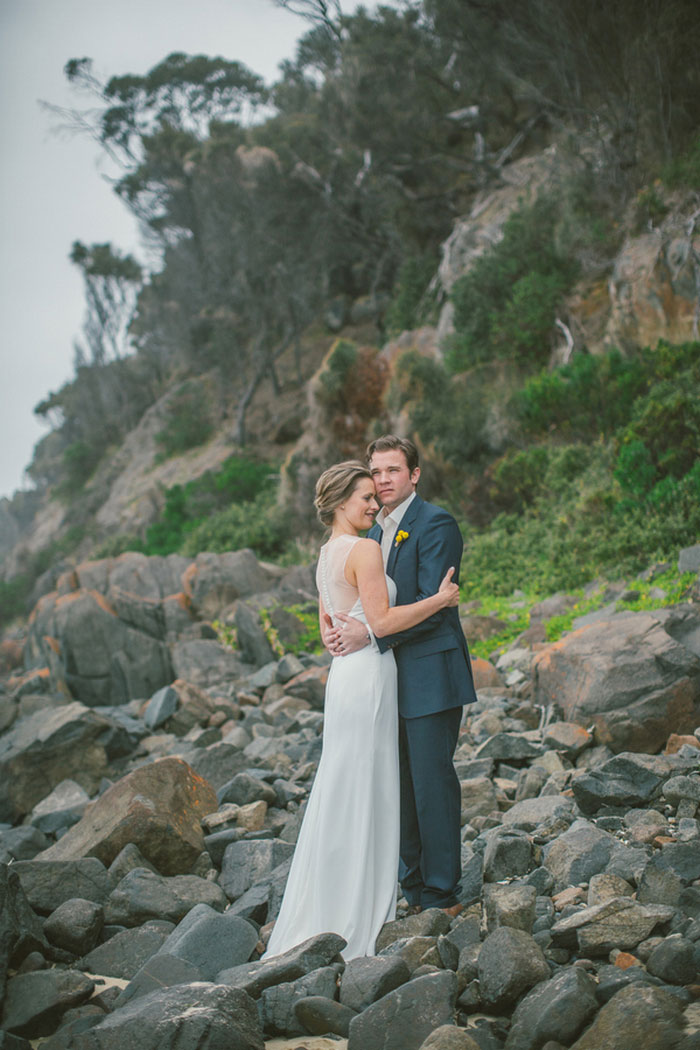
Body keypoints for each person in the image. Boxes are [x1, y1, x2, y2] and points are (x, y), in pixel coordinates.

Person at [263, 460, 460, 961]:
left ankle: (326, 902)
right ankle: (361, 906)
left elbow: (329, 627)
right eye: (365, 498)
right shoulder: (367, 548)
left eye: (376, 496)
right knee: (370, 785)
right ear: (338, 504)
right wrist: (439, 600)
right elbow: (383, 620)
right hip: (369, 673)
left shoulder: (327, 553)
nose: (374, 505)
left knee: (344, 782)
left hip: (344, 677)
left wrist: (343, 634)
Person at [329, 436, 477, 915]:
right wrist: (345, 634)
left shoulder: (436, 523)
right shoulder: (369, 536)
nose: (382, 480)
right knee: (399, 784)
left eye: (393, 470)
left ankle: (441, 891)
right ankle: (411, 883)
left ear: (414, 475)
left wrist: (367, 635)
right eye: (376, 471)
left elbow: (433, 608)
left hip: (431, 672)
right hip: (385, 679)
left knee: (433, 782)